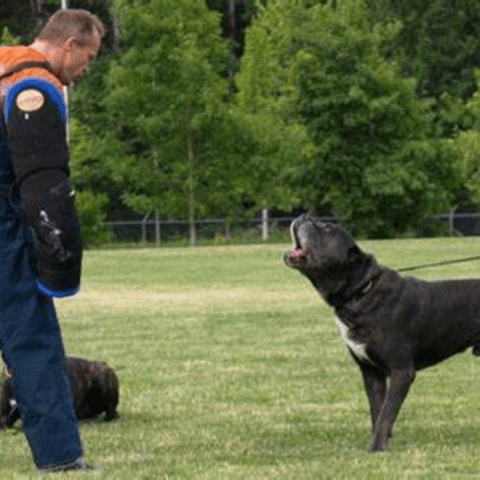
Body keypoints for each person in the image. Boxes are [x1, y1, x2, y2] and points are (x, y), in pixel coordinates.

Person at [0, 9, 104, 472]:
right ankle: (60, 456)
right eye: (90, 57)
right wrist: (60, 256)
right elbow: (44, 183)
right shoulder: (35, 86)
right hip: (4, 234)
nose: (87, 70)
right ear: (69, 45)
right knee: (32, 341)